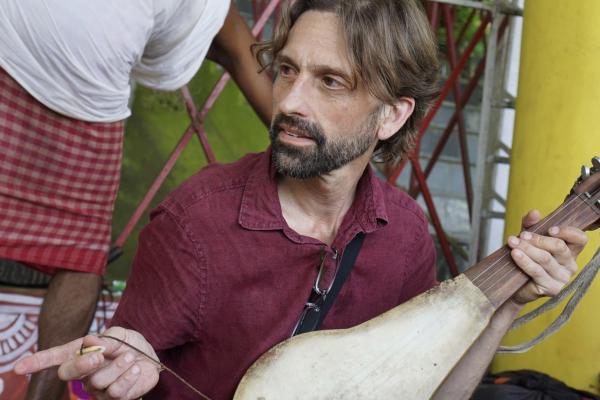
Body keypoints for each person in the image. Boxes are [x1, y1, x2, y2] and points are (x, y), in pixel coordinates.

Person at [14, 1, 589, 399]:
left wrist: (505, 307)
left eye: (330, 82)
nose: (290, 100)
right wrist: (103, 376)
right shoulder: (197, 225)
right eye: (288, 71)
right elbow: (98, 379)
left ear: (391, 115)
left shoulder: (405, 238)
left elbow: (429, 390)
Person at [0, 1, 272, 399]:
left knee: (80, 257)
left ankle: (44, 396)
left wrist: (328, 151)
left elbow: (228, 42)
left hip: (92, 94)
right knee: (80, 258)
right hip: (29, 53)